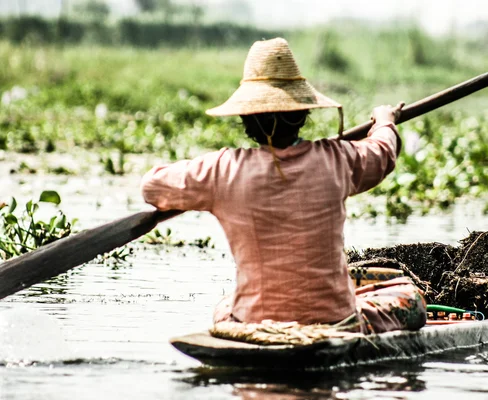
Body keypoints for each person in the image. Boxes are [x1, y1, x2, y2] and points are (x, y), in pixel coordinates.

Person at [141, 38, 426, 334]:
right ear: (302, 114)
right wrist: (384, 121)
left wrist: (201, 187)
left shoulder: (221, 170)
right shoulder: (338, 159)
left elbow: (151, 186)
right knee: (409, 298)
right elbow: (382, 152)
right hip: (335, 319)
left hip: (254, 320)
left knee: (226, 306)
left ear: (245, 119)